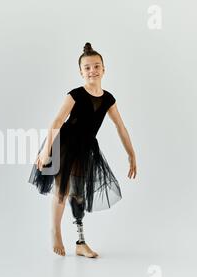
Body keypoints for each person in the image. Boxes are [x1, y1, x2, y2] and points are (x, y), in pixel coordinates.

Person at [28, 42, 137, 258]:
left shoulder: (108, 99)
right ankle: (56, 230)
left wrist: (131, 154)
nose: (92, 71)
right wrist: (45, 150)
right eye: (87, 68)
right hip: (65, 145)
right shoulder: (75, 94)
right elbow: (57, 121)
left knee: (79, 195)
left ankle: (80, 242)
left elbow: (120, 127)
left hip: (87, 149)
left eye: (96, 66)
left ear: (104, 69)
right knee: (63, 188)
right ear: (81, 72)